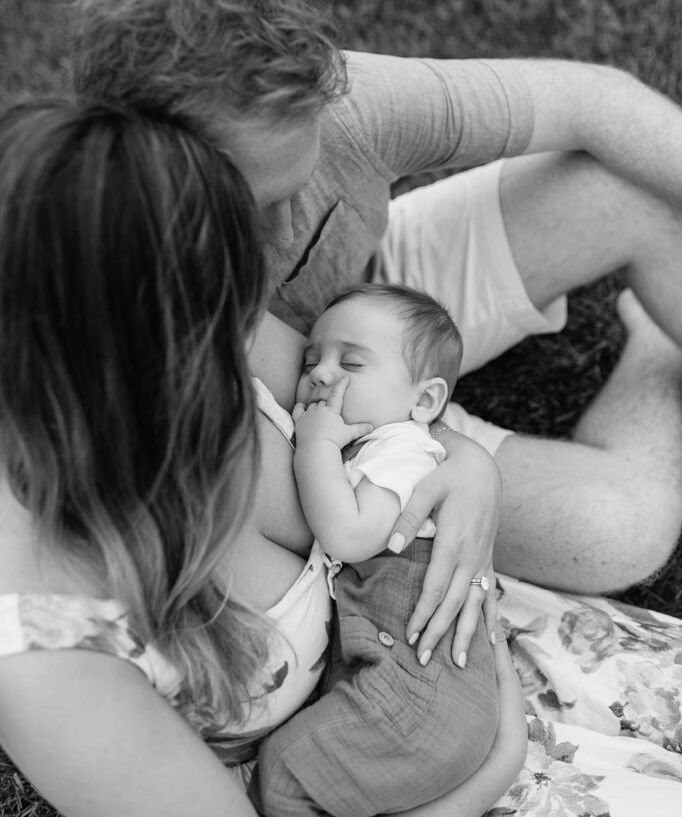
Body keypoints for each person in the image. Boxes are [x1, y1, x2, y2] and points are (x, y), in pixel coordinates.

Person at [1, 102, 682, 816]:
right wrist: (494, 768)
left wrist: (467, 472)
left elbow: (383, 419)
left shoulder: (205, 329)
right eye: (224, 310)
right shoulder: (51, 648)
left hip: (428, 665)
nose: (253, 318)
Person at [69, 0, 682, 671]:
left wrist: (465, 460)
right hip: (324, 428)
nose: (288, 227)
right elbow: (303, 420)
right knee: (622, 529)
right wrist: (453, 459)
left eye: (302, 184)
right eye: (252, 205)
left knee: (629, 191)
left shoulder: (325, 100)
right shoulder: (112, 266)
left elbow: (591, 102)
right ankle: (652, 349)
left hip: (379, 303)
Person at [256, 284, 501, 816]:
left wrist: (316, 444)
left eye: (352, 363)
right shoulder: (378, 447)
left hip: (416, 700)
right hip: (408, 690)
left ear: (425, 401)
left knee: (285, 775)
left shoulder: (403, 450)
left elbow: (349, 534)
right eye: (311, 359)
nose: (320, 373)